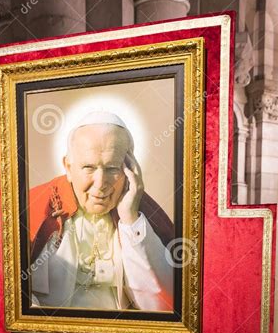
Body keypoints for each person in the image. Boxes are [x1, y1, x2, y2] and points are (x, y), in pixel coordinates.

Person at [28, 111, 174, 311]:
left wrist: (131, 220)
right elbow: (5, 292)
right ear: (68, 167)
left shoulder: (144, 211)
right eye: (88, 167)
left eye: (113, 168)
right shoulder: (36, 204)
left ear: (131, 168)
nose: (101, 184)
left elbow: (165, 304)